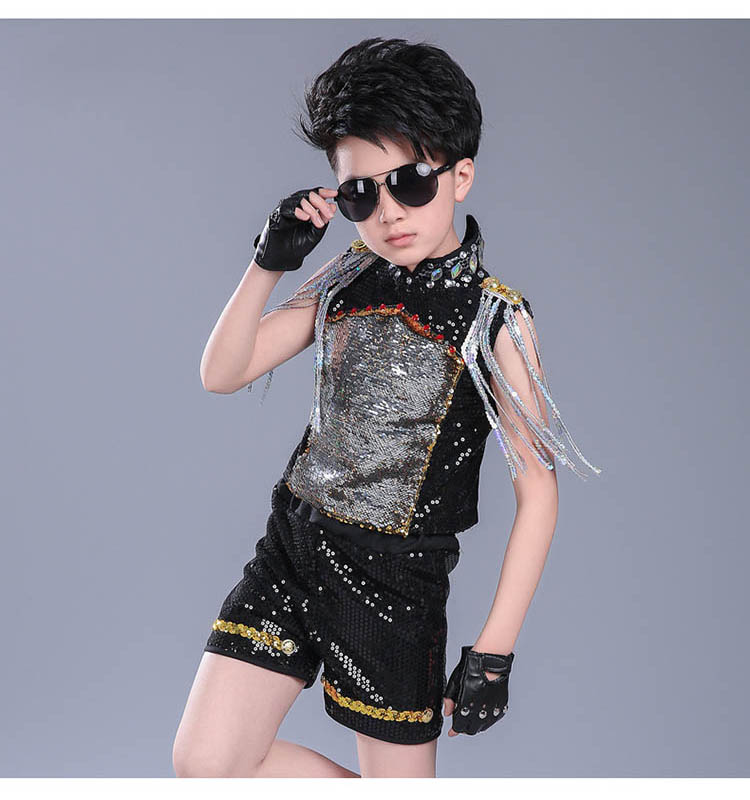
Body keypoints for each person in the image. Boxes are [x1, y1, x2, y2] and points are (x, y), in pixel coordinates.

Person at [172, 36, 601, 779]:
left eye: (410, 182)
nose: (388, 212)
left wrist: (495, 651)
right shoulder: (346, 275)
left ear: (461, 174)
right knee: (206, 766)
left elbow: (538, 492)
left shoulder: (495, 319)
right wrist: (268, 262)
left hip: (395, 585)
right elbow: (223, 371)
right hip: (295, 549)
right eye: (360, 194)